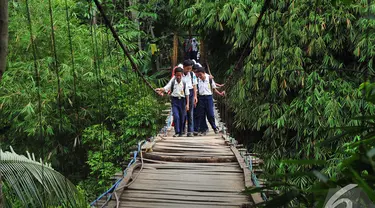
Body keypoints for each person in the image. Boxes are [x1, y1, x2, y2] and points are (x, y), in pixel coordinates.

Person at [156, 67, 190, 137]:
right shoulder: (173, 82)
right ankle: (177, 132)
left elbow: (187, 94)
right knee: (176, 116)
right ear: (175, 75)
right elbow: (166, 88)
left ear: (182, 75)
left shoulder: (184, 83)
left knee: (182, 117)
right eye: (177, 75)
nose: (178, 77)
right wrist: (159, 89)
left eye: (179, 75)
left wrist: (187, 104)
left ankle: (181, 132)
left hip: (182, 101)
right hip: (175, 100)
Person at [195, 67, 225, 135]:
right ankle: (204, 130)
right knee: (201, 114)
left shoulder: (209, 79)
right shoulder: (197, 80)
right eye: (198, 75)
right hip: (201, 98)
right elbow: (195, 90)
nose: (199, 76)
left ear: (204, 73)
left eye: (200, 75)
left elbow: (214, 89)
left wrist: (220, 94)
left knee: (210, 114)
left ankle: (214, 127)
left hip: (208, 98)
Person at [181, 60, 198, 137]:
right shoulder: (180, 74)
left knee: (190, 113)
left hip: (190, 93)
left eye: (190, 68)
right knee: (183, 112)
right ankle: (182, 129)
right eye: (187, 68)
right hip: (182, 93)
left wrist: (195, 96)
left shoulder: (192, 74)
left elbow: (194, 85)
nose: (189, 70)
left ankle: (190, 131)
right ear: (183, 67)